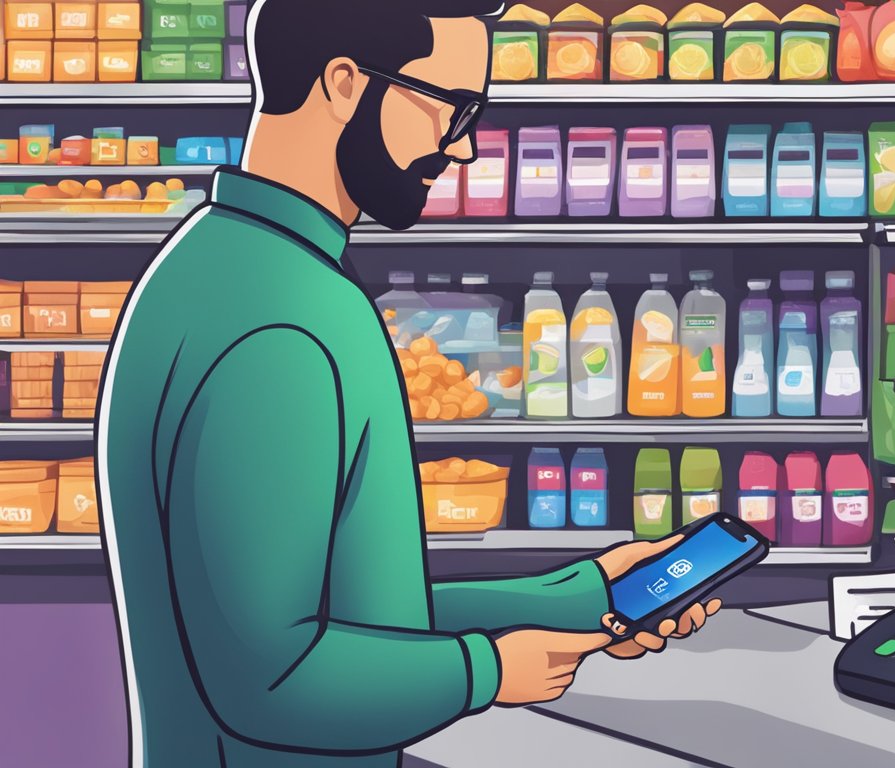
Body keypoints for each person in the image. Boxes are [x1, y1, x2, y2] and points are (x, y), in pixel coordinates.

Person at [97, 2, 718, 766]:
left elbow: (358, 614)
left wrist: (582, 594)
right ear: (343, 83)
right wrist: (491, 672)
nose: (463, 150)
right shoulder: (282, 321)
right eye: (453, 110)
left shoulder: (228, 263)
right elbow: (270, 675)